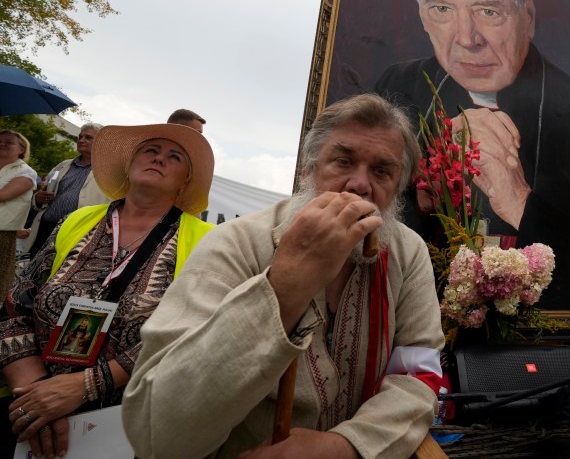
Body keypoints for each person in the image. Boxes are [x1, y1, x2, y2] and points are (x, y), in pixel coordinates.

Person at [122, 95, 444, 459]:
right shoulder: (235, 243)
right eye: (343, 161)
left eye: (382, 171)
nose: (359, 184)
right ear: (307, 170)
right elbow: (157, 433)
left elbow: (418, 374)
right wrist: (285, 285)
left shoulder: (408, 252)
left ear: (397, 190)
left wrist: (347, 447)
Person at [374, 0, 570, 310]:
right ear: (423, 16)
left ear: (526, 16)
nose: (467, 37)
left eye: (488, 10)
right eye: (442, 9)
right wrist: (424, 185)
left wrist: (516, 198)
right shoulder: (399, 86)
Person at [0, 123, 215, 459]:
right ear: (129, 165)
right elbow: (15, 309)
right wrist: (38, 395)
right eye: (150, 151)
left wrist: (85, 386)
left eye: (174, 157)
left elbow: (197, 334)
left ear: (186, 180)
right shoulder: (77, 221)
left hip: (127, 423)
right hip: (33, 408)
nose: (159, 159)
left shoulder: (206, 241)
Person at [23, 123, 109, 258]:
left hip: (76, 233)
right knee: (30, 270)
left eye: (88, 137)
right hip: (44, 229)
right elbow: (41, 194)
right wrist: (38, 199)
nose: (81, 140)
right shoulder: (63, 165)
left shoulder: (109, 172)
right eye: (80, 136)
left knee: (58, 273)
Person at [0, 131, 38, 298]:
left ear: (21, 149)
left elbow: (3, 195)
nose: (2, 144)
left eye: (8, 142)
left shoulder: (27, 172)